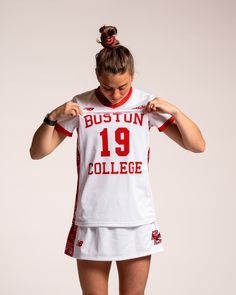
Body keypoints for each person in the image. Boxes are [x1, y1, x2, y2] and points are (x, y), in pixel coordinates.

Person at [30, 25, 205, 295]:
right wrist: (52, 117)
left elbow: (197, 145)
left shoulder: (146, 104)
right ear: (97, 77)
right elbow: (38, 152)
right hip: (92, 218)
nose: (115, 94)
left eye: (123, 86)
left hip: (136, 218)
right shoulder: (81, 104)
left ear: (133, 75)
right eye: (107, 87)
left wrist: (177, 112)